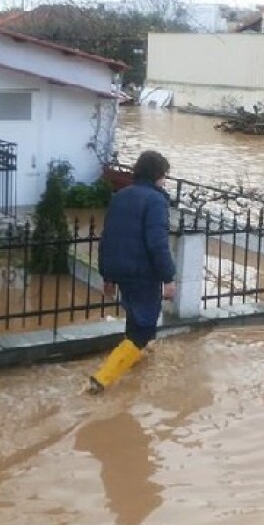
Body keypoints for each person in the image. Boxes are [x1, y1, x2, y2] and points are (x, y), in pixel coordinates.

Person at [89, 150, 177, 393]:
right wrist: (168, 278)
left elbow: (108, 238)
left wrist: (108, 276)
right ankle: (101, 380)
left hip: (120, 270)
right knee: (144, 327)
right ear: (158, 174)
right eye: (165, 175)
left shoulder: (120, 196)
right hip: (141, 273)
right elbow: (157, 243)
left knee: (134, 319)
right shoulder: (156, 201)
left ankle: (134, 358)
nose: (165, 180)